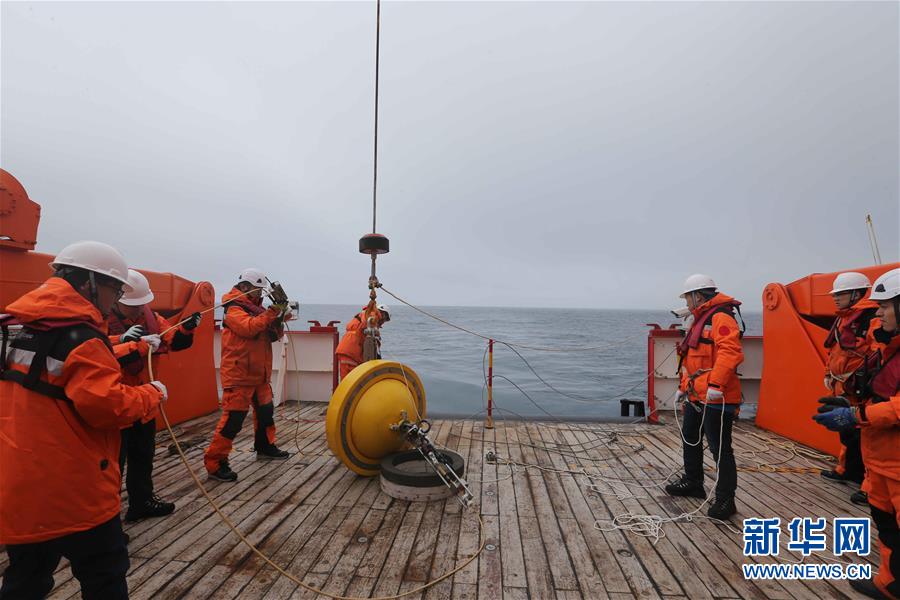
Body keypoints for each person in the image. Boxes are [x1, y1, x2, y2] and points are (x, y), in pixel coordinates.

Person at [0, 241, 165, 600]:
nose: (116, 298)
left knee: (26, 579)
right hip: (73, 487)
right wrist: (153, 393)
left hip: (18, 482)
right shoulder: (83, 338)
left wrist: (125, 343)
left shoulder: (12, 327)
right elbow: (110, 407)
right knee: (104, 575)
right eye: (115, 289)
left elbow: (57, 365)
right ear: (92, 284)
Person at [814, 268, 900, 599]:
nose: (877, 313)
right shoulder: (888, 349)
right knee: (887, 526)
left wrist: (856, 413)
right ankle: (890, 584)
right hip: (882, 458)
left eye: (885, 306)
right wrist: (846, 399)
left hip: (894, 460)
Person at [108, 269, 202, 522]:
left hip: (145, 402)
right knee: (111, 466)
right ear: (117, 300)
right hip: (115, 404)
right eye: (133, 306)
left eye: (142, 304)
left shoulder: (153, 318)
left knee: (143, 455)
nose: (139, 310)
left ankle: (142, 501)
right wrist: (126, 341)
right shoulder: (98, 320)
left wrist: (188, 329)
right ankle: (107, 520)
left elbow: (176, 340)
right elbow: (94, 352)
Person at [664, 274, 745, 520]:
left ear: (698, 295)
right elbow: (692, 360)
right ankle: (693, 482)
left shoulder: (721, 317)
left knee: (721, 449)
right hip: (697, 394)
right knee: (690, 435)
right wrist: (683, 386)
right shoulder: (698, 319)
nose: (687, 303)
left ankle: (725, 499)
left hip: (717, 397)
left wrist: (717, 385)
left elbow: (730, 352)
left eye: (688, 297)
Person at [203, 268, 290, 482]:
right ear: (244, 288)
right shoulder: (233, 309)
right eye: (257, 291)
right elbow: (249, 328)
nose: (260, 295)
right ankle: (215, 463)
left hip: (258, 375)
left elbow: (269, 335)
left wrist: (277, 320)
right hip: (239, 374)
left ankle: (265, 447)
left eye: (262, 292)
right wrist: (271, 313)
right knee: (233, 420)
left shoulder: (255, 309)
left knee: (266, 413)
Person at [820, 271, 877, 506]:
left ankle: (871, 487)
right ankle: (846, 470)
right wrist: (827, 373)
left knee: (869, 436)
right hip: (842, 386)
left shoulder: (870, 318)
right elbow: (834, 350)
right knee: (846, 431)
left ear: (855, 294)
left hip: (860, 389)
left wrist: (867, 383)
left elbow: (878, 355)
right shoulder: (843, 318)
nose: (835, 298)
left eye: (840, 294)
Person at [335, 303, 390, 380]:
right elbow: (367, 322)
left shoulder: (365, 316)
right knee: (352, 383)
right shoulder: (370, 314)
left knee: (347, 382)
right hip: (352, 352)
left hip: (346, 350)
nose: (383, 321)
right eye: (384, 317)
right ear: (382, 313)